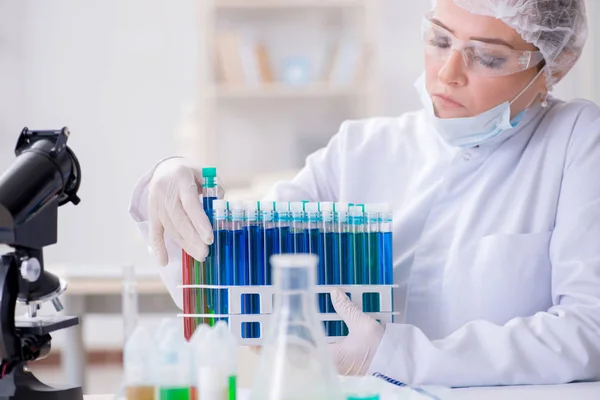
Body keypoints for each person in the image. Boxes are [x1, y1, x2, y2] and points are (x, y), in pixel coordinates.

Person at [129, 0, 600, 388]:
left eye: (489, 57)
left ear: (553, 63)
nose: (448, 73)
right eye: (439, 41)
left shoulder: (578, 141)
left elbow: (588, 332)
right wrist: (173, 187)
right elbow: (234, 283)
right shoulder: (361, 149)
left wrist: (394, 353)